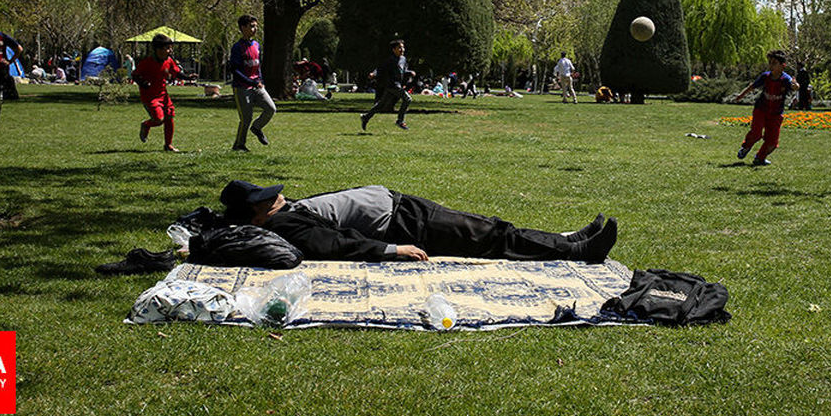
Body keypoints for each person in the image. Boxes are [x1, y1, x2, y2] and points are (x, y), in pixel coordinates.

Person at [221, 180, 618, 263]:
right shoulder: (283, 227)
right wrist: (393, 250)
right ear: (256, 213)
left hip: (401, 207)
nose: (274, 194)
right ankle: (578, 251)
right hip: (403, 225)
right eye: (264, 197)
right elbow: (336, 244)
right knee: (492, 238)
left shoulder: (279, 215)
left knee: (492, 227)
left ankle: (566, 239)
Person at [732, 50, 799, 166]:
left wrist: (796, 86)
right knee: (756, 133)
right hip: (761, 110)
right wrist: (740, 96)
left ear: (782, 66)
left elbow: (794, 86)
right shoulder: (765, 76)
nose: (771, 66)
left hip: (776, 113)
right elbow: (752, 86)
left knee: (772, 142)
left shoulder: (786, 79)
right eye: (770, 63)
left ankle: (760, 158)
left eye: (774, 63)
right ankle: (746, 147)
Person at [228, 14, 276, 151]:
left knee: (271, 109)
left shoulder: (256, 45)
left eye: (256, 26)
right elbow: (235, 70)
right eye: (251, 26)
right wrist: (250, 82)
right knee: (246, 118)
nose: (255, 29)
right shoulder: (237, 47)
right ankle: (239, 145)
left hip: (257, 85)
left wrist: (260, 80)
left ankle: (257, 128)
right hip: (242, 87)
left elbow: (257, 66)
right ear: (243, 28)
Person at [134, 33, 182, 152]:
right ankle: (146, 125)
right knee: (159, 119)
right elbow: (135, 75)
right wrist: (143, 83)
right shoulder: (147, 62)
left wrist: (187, 77)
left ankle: (168, 145)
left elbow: (176, 73)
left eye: (170, 48)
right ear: (157, 50)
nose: (170, 51)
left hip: (163, 95)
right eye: (167, 48)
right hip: (150, 97)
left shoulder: (169, 61)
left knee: (169, 117)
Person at [360, 38, 411, 131]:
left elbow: (403, 71)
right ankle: (400, 121)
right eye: (399, 48)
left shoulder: (403, 59)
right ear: (394, 49)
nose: (402, 50)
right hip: (392, 85)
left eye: (403, 48)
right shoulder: (390, 60)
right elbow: (380, 68)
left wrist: (410, 72)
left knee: (380, 105)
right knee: (407, 99)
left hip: (397, 85)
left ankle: (365, 117)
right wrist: (373, 74)